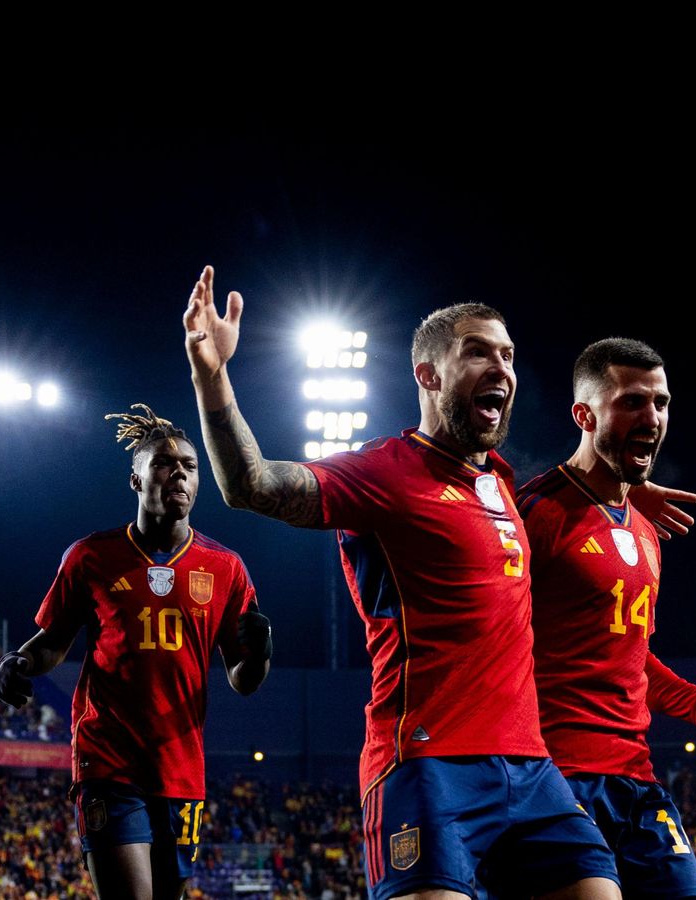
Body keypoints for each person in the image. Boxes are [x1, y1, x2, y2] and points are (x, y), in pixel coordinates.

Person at [182, 267, 626, 900]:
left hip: (533, 770)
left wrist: (620, 492)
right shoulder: (382, 472)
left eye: (508, 355)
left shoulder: (499, 480)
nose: (501, 366)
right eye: (477, 351)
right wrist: (211, 376)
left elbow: (563, 496)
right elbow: (251, 485)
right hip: (426, 764)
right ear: (428, 374)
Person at [0, 404, 271, 900]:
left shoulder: (226, 567)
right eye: (165, 463)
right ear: (135, 480)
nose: (179, 473)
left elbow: (243, 679)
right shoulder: (91, 557)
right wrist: (18, 662)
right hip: (109, 760)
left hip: (181, 768)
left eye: (189, 465)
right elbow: (53, 642)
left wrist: (259, 653)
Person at [516, 338, 696, 900]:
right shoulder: (534, 515)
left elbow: (629, 655)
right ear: (585, 414)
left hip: (636, 779)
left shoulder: (647, 531)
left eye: (661, 403)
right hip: (552, 774)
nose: (652, 417)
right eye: (631, 402)